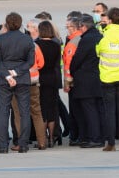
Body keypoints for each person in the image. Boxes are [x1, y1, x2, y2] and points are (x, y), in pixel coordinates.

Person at [0, 12, 35, 153]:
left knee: (3, 113)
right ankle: (23, 144)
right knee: (24, 112)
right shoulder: (27, 39)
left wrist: (7, 75)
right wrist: (16, 72)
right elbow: (30, 61)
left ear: (6, 24)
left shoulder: (0, 39)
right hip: (22, 78)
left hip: (3, 80)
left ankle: (3, 146)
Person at [96, 7, 119, 152]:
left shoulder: (104, 36)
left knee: (109, 111)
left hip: (107, 78)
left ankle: (111, 142)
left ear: (110, 20)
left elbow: (98, 51)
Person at [10, 18, 46, 151]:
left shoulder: (12, 47)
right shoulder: (34, 45)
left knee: (18, 113)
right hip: (33, 82)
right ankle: (42, 142)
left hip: (18, 82)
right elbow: (41, 63)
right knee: (36, 112)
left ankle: (21, 142)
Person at [70, 15, 104, 148]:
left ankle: (94, 138)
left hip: (86, 81)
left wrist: (73, 71)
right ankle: (101, 136)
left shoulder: (86, 40)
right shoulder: (100, 37)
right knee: (99, 109)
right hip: (100, 78)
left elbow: (77, 60)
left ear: (84, 26)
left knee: (90, 111)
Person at [36, 20, 63, 147]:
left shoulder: (36, 44)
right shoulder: (56, 45)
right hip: (52, 78)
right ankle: (52, 137)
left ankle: (44, 139)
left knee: (41, 110)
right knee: (51, 109)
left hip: (40, 78)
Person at [63, 16, 82, 145]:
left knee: (75, 110)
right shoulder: (81, 38)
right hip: (82, 81)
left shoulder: (73, 42)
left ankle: (75, 136)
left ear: (74, 28)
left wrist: (67, 83)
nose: (67, 29)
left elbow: (68, 64)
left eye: (68, 27)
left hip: (73, 82)